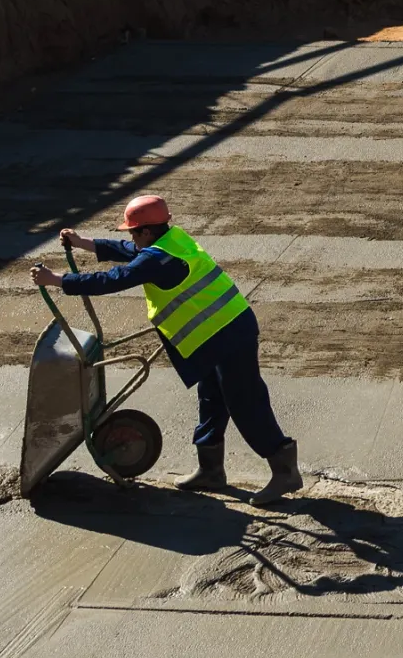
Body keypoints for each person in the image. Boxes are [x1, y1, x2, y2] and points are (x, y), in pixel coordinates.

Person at [34, 194, 302, 497]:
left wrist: (57, 280)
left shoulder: (156, 259)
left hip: (228, 334)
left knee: (245, 401)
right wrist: (85, 243)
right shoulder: (171, 239)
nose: (131, 237)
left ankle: (284, 471)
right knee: (212, 397)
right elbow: (129, 251)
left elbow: (114, 279)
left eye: (133, 231)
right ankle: (211, 471)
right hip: (218, 331)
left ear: (147, 231)